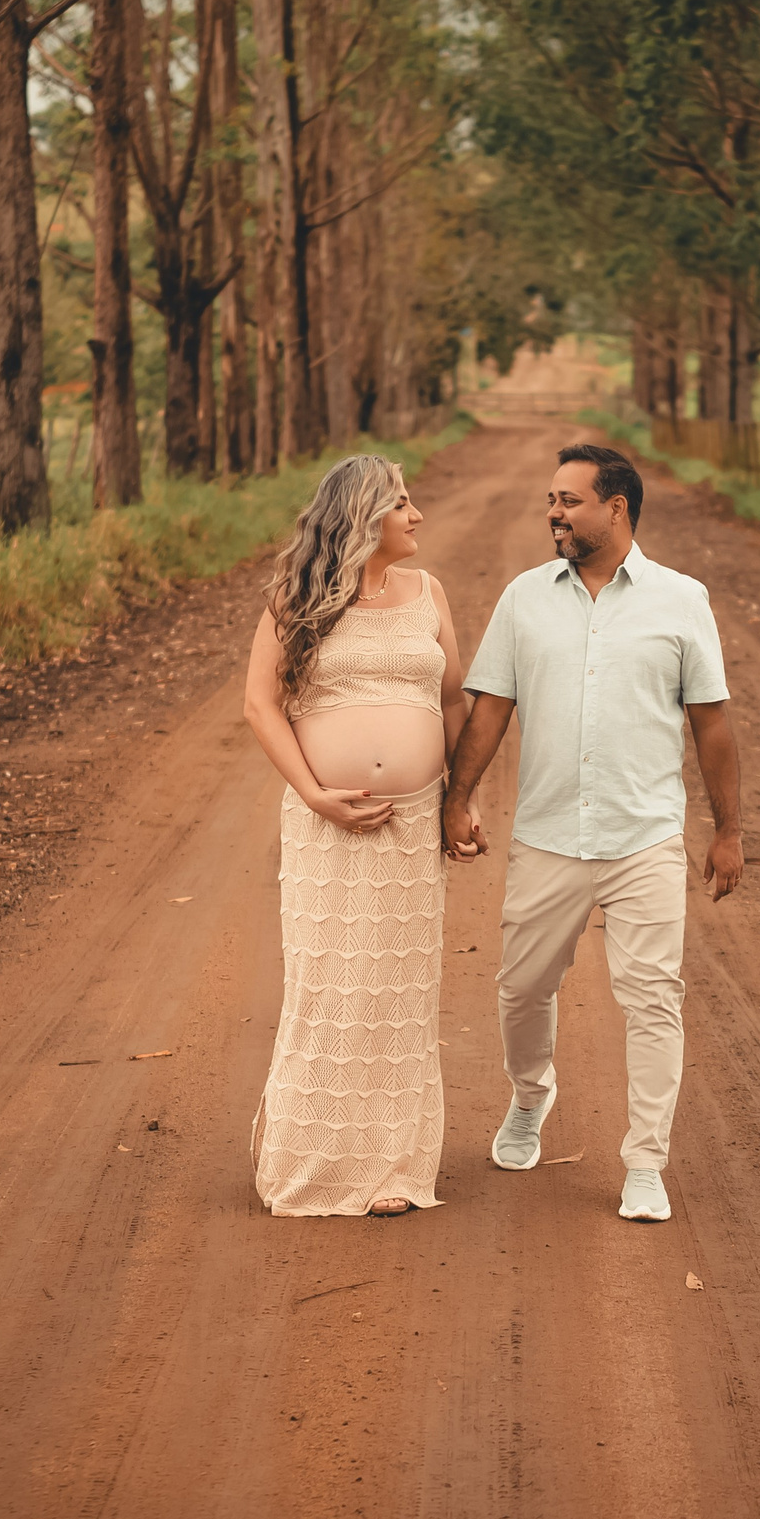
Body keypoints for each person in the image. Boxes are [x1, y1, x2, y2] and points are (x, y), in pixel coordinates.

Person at [442, 444, 743, 1224]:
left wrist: (728, 830)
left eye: (570, 500)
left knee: (652, 1000)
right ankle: (530, 1096)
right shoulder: (524, 598)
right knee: (521, 988)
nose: (554, 512)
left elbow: (710, 721)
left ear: (617, 508)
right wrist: (458, 796)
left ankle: (645, 1161)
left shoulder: (681, 599)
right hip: (547, 835)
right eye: (552, 498)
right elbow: (491, 708)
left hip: (643, 836)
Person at [243, 455, 474, 1216]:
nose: (416, 515)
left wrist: (456, 803)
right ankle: (314, 1161)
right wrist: (314, 794)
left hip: (411, 829)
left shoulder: (429, 592)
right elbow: (260, 705)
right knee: (330, 985)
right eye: (402, 502)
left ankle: (393, 1168)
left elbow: (453, 705)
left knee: (399, 993)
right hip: (325, 827)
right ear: (364, 513)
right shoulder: (300, 594)